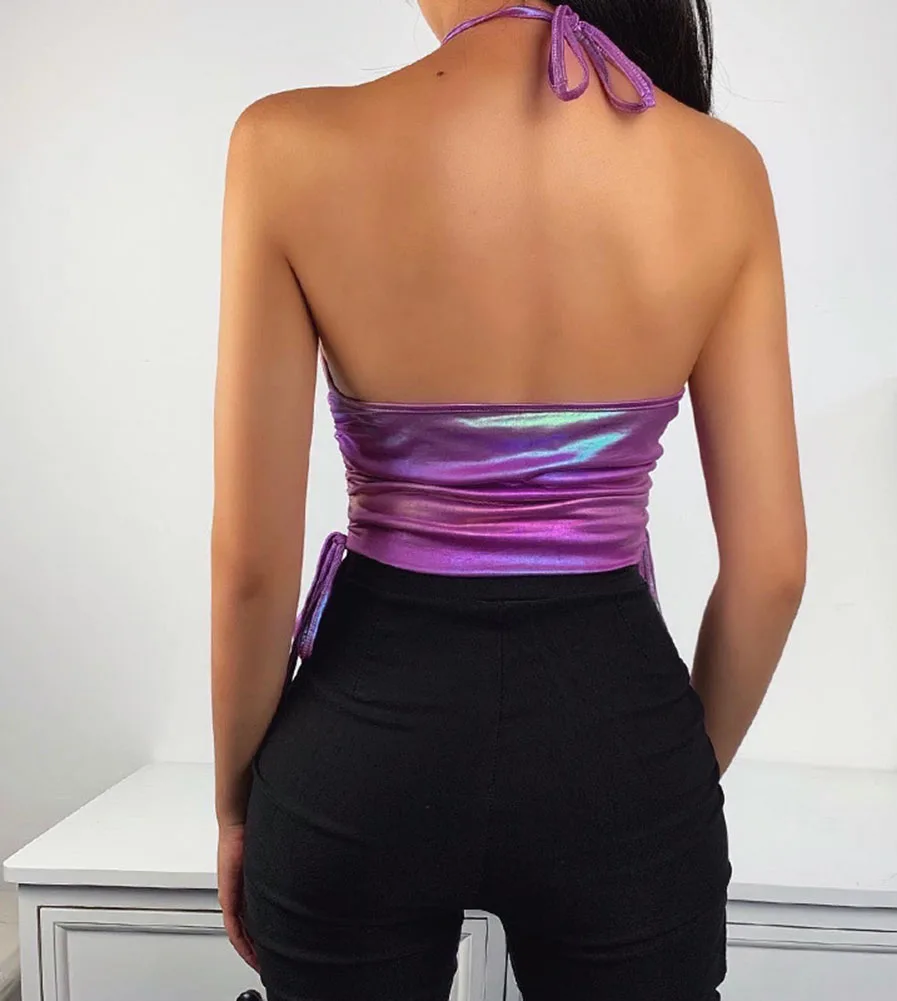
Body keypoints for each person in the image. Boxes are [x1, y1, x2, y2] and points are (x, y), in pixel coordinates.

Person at [211, 1, 807, 999]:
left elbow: (250, 570)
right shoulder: (720, 168)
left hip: (362, 746)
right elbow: (773, 571)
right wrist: (652, 781)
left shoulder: (286, 144)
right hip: (614, 729)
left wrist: (239, 807)